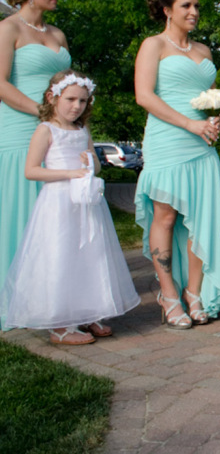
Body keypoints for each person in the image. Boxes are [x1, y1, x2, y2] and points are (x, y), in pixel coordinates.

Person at [0, 70, 140, 343]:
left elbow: (96, 166)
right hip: (58, 204)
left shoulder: (82, 130)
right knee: (61, 256)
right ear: (52, 98)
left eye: (83, 101)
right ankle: (61, 324)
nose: (77, 106)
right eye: (71, 99)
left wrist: (89, 163)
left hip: (85, 203)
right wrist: (69, 173)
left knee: (89, 255)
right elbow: (31, 170)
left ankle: (88, 311)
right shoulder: (46, 130)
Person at [134, 0, 220, 329]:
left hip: (201, 144)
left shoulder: (204, 51)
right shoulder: (154, 45)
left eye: (196, 5)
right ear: (167, 10)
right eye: (186, 5)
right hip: (168, 140)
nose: (194, 11)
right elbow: (144, 96)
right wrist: (190, 124)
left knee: (199, 219)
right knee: (167, 217)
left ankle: (194, 293)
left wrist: (215, 118)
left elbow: (211, 97)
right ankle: (169, 294)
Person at [0, 0, 72, 305]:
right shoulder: (8, 29)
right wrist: (42, 112)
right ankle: (21, 299)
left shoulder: (58, 35)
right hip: (21, 129)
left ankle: (58, 298)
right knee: (24, 212)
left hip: (59, 132)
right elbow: (1, 84)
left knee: (58, 216)